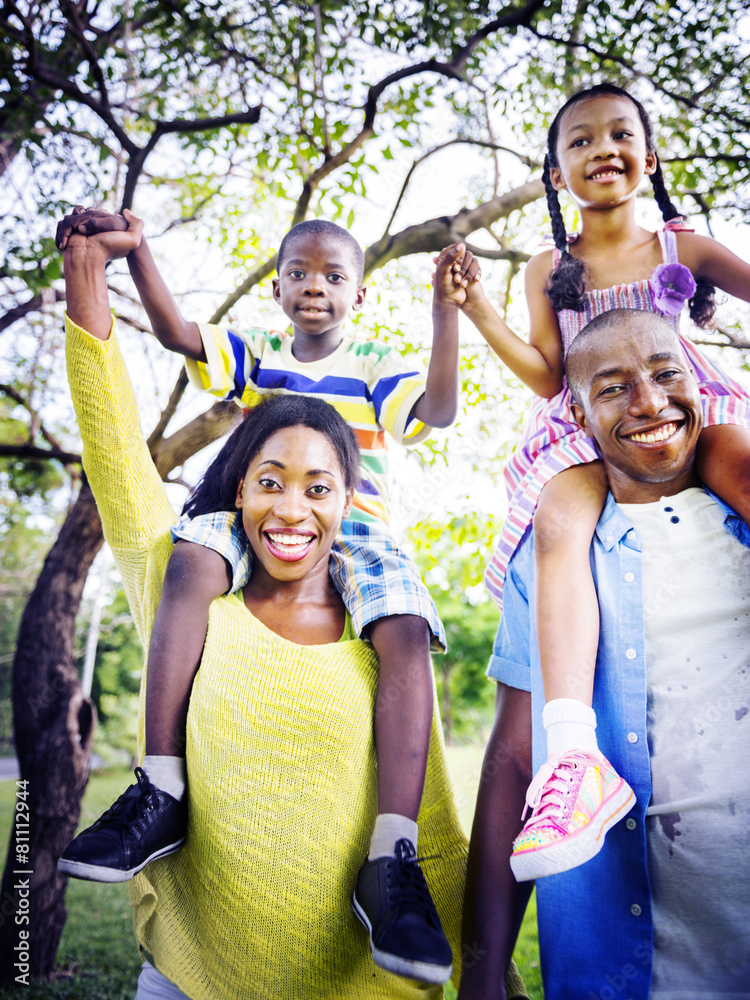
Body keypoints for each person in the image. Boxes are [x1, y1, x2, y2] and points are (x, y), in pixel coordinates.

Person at [58, 217, 483, 1000]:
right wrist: (138, 250)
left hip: (356, 538)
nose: (314, 288)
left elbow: (443, 410)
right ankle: (161, 786)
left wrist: (444, 311)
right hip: (251, 520)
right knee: (188, 558)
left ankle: (391, 858)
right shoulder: (256, 350)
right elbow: (179, 333)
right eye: (298, 273)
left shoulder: (374, 364)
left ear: (359, 291)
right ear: (279, 283)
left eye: (331, 277)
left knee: (407, 626)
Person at [456, 82, 750, 880]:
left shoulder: (679, 246)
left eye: (620, 134)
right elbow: (551, 374)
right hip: (589, 423)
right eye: (579, 142)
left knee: (745, 470)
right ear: (557, 175)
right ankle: (575, 758)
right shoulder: (550, 266)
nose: (602, 149)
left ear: (649, 158)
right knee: (558, 518)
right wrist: (482, 311)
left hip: (686, 400)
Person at [459, 307, 750, 1000]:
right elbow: (512, 758)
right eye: (614, 388)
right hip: (621, 967)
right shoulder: (552, 555)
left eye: (665, 374)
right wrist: (480, 970)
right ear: (580, 420)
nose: (649, 402)